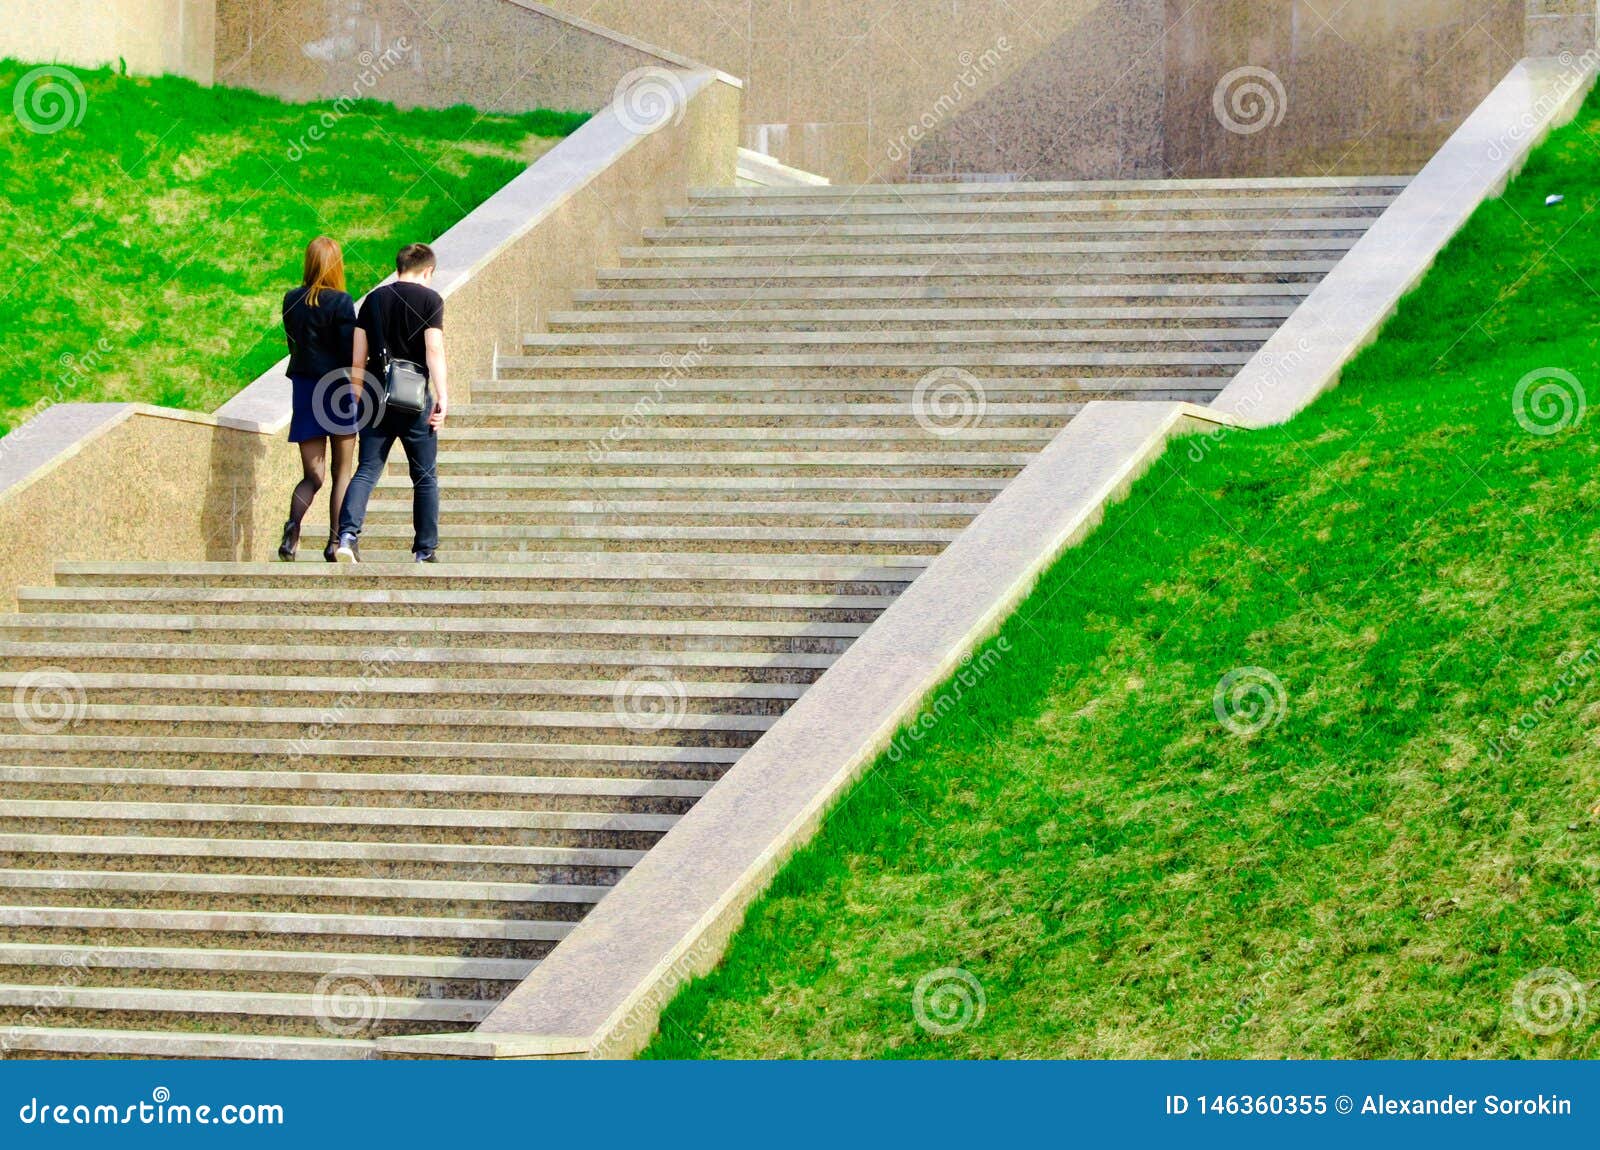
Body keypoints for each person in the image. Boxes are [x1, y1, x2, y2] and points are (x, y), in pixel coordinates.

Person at [334, 242, 449, 564]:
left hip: (375, 397)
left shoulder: (374, 299)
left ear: (398, 266)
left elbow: (358, 356)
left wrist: (356, 395)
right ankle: (424, 550)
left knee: (367, 470)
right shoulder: (430, 299)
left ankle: (347, 536)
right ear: (428, 271)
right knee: (424, 476)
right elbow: (434, 350)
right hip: (413, 401)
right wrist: (443, 396)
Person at [280, 236, 358, 562]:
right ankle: (334, 543)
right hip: (337, 390)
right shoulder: (341, 302)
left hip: (305, 388)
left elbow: (292, 345)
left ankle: (292, 527)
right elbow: (349, 351)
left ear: (309, 263)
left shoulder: (290, 300)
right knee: (342, 472)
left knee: (313, 476)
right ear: (336, 265)